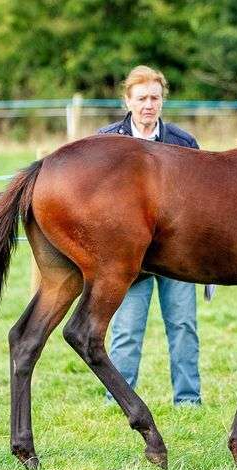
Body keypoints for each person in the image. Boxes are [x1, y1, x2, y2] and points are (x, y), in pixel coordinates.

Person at [98, 65, 202, 405]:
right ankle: (118, 398)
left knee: (184, 328)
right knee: (126, 331)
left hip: (178, 253)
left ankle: (188, 400)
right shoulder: (107, 143)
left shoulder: (184, 143)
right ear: (127, 101)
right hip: (130, 258)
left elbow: (201, 202)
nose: (148, 105)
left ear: (163, 101)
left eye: (155, 98)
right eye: (141, 98)